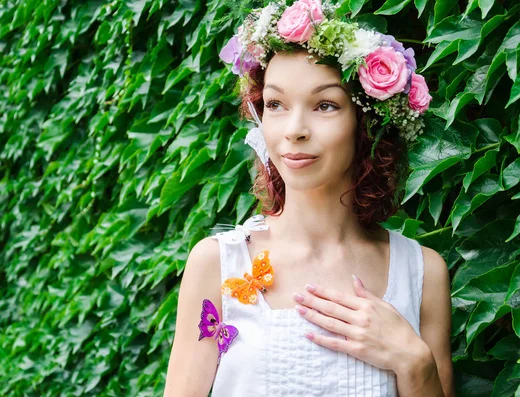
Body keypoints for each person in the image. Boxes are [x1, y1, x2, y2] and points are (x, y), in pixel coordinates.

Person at [164, 1, 453, 396]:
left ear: (364, 124)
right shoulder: (218, 264)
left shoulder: (421, 273)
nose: (294, 130)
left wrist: (415, 364)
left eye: (325, 105)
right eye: (276, 104)